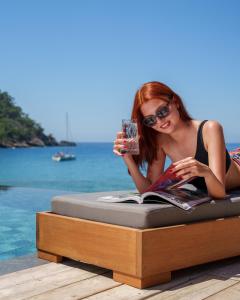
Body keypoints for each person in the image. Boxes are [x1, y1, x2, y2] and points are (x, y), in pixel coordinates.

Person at [113, 81, 240, 198]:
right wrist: (128, 158)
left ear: (175, 102)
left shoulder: (210, 128)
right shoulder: (160, 141)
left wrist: (206, 172)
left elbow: (219, 194)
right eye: (150, 120)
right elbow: (148, 191)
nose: (160, 121)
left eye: (162, 111)